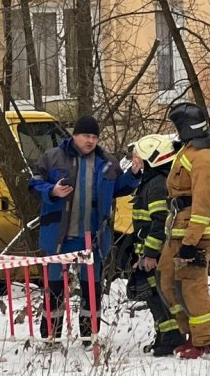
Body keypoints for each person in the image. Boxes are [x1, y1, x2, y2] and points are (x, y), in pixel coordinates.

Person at [29, 114, 135, 339]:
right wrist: (52, 191)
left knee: (92, 289)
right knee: (55, 289)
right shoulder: (52, 157)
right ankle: (50, 337)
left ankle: (90, 337)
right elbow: (33, 184)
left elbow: (119, 188)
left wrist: (134, 174)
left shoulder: (107, 162)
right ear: (75, 135)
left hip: (92, 238)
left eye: (94, 137)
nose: (90, 141)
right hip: (59, 238)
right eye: (86, 136)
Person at [159, 101, 210, 358]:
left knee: (192, 286)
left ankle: (204, 341)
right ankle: (189, 333)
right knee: (167, 280)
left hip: (194, 232)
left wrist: (191, 241)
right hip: (179, 228)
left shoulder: (205, 157)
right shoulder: (190, 150)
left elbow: (202, 203)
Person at [129, 134, 182, 357]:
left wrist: (150, 254)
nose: (134, 160)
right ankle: (163, 336)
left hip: (156, 253)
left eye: (138, 157)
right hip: (149, 251)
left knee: (159, 295)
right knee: (153, 294)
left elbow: (160, 222)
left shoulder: (157, 184)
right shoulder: (153, 180)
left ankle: (171, 338)